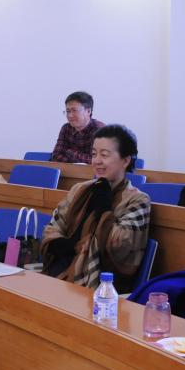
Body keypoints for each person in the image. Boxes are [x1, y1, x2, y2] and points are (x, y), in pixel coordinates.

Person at [40, 124, 150, 291]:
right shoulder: (80, 189)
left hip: (103, 286)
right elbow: (53, 226)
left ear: (126, 160)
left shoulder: (138, 200)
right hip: (62, 272)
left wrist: (104, 209)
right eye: (93, 154)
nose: (97, 160)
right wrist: (65, 245)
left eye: (104, 155)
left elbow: (121, 247)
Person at [50, 91, 105, 163]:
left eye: (74, 110)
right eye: (68, 111)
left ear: (88, 111)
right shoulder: (66, 128)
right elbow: (56, 156)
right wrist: (77, 162)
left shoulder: (100, 130)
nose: (70, 115)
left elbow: (97, 160)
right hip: (67, 170)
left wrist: (70, 152)